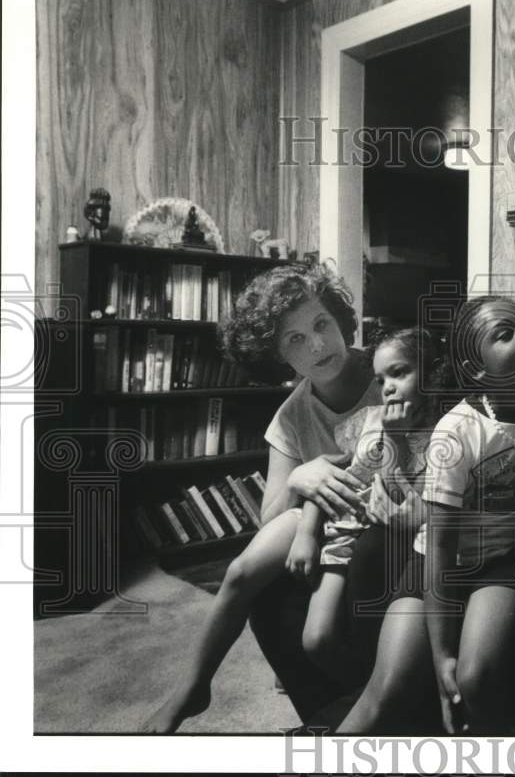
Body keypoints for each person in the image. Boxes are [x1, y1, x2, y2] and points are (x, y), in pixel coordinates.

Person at [141, 262, 381, 733]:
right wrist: (301, 478)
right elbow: (270, 515)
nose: (316, 344)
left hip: (382, 514)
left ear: (339, 320)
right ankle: (194, 685)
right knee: (247, 576)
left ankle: (366, 710)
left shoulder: (389, 372)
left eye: (321, 324)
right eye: (293, 340)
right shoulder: (292, 416)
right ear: (277, 358)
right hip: (324, 526)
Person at [337, 297, 515, 734]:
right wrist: (440, 655)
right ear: (476, 370)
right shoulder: (458, 431)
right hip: (434, 563)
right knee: (386, 688)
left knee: (474, 677)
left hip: (503, 563)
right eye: (505, 334)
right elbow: (439, 547)